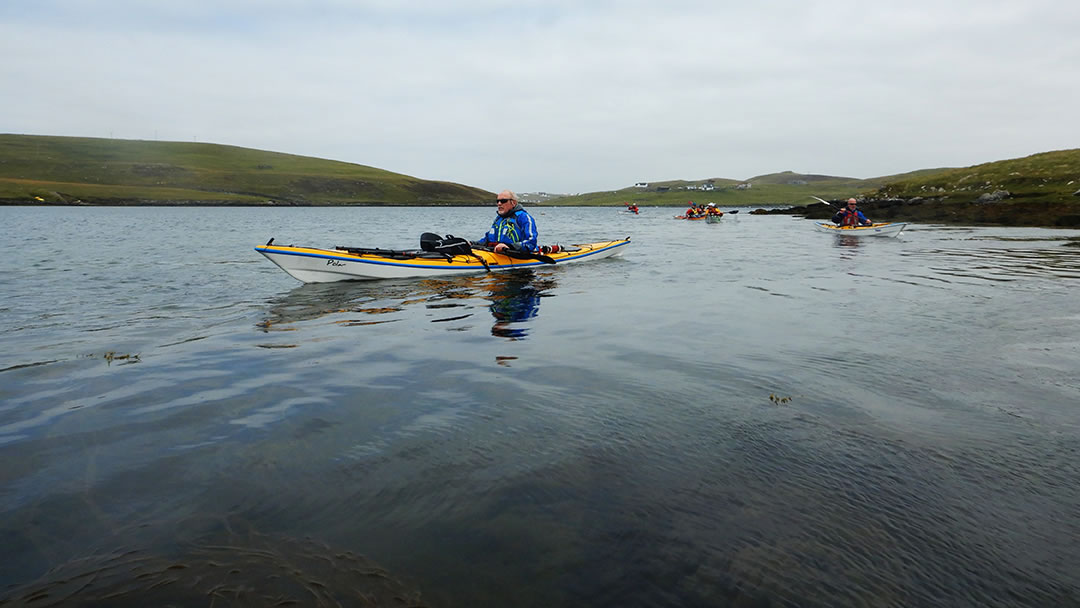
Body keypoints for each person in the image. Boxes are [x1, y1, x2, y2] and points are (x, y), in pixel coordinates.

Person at [474, 190, 539, 253]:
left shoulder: (524, 218)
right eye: (498, 201)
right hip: (497, 255)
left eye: (503, 201)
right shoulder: (498, 219)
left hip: (518, 256)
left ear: (513, 203)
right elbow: (486, 240)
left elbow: (531, 242)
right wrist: (472, 243)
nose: (499, 204)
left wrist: (509, 246)